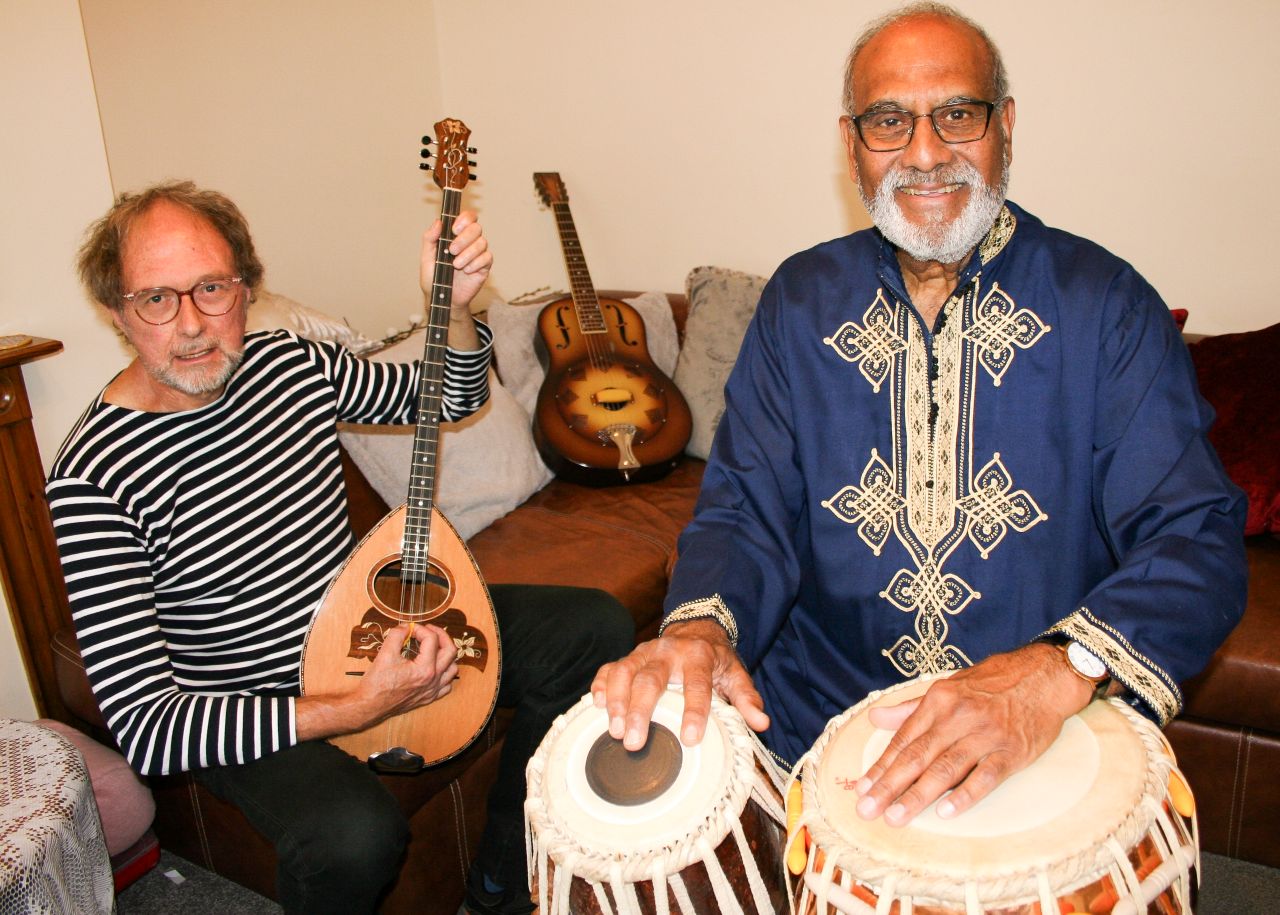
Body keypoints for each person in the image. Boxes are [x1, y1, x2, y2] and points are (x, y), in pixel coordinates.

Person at [594, 2, 1247, 831]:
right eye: (891, 121)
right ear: (852, 144)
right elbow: (744, 512)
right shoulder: (799, 302)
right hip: (817, 728)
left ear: (1005, 125)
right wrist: (696, 628)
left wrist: (1057, 671)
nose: (927, 152)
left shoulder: (1106, 306)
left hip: (1039, 741)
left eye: (958, 114)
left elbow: (1196, 534)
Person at [48, 180, 632, 915]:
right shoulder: (92, 474)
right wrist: (355, 705)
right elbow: (149, 727)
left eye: (211, 289)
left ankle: (500, 878)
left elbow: (445, 399)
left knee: (594, 630)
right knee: (355, 836)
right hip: (251, 701)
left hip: (371, 627)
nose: (191, 324)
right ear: (117, 312)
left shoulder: (291, 365)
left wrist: (449, 306)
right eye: (156, 299)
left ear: (248, 288)